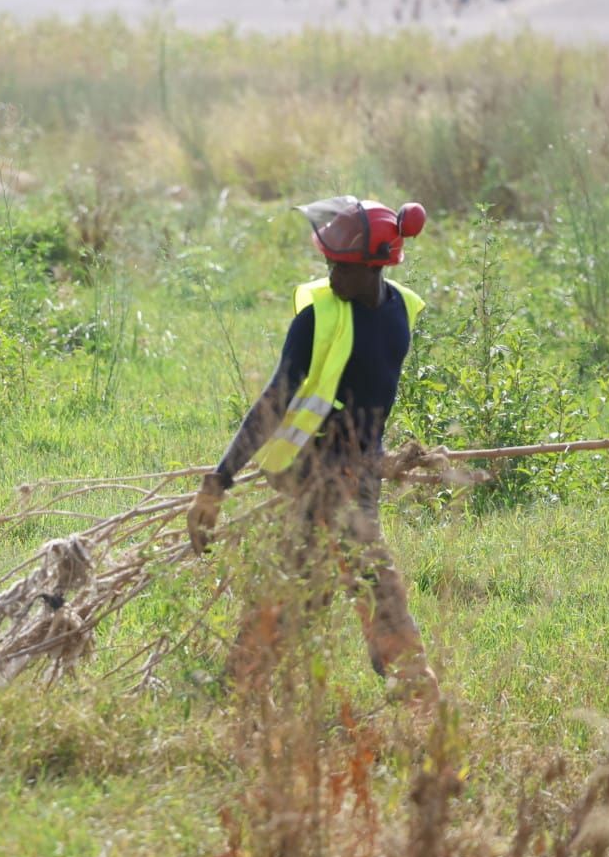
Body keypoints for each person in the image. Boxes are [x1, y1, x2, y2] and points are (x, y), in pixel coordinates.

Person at [187, 196, 439, 703]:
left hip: (355, 472)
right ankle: (248, 684)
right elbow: (273, 402)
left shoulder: (399, 314)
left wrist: (373, 456)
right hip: (311, 470)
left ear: (374, 267)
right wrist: (217, 482)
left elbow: (361, 398)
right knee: (334, 576)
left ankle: (406, 681)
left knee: (340, 577)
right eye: (327, 262)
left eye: (340, 266)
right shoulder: (320, 316)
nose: (329, 274)